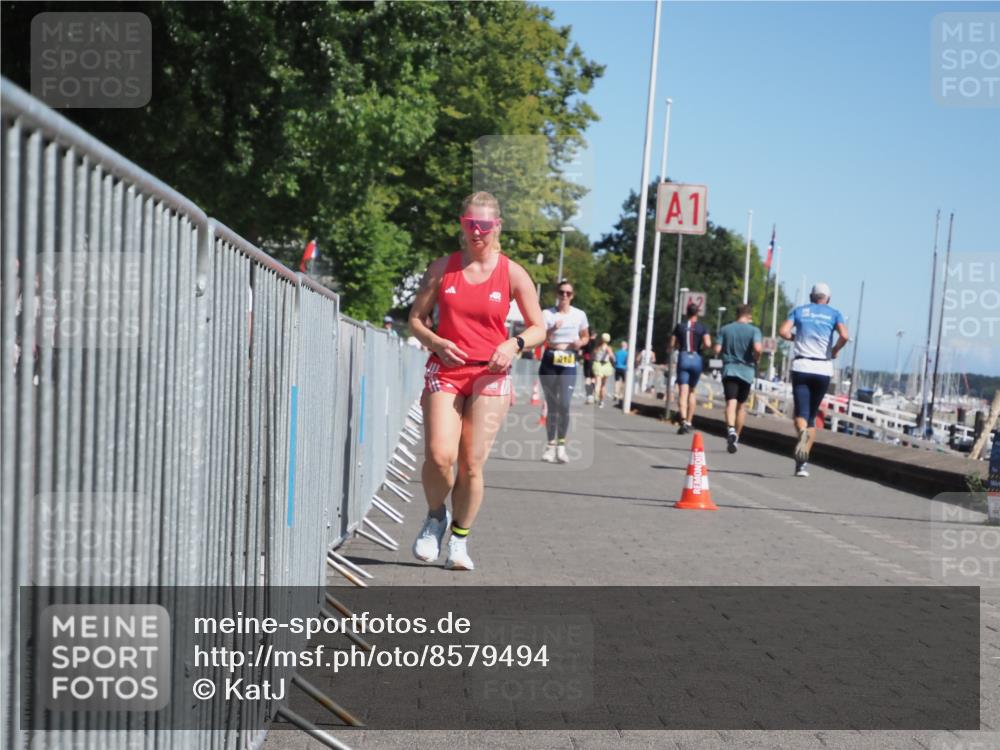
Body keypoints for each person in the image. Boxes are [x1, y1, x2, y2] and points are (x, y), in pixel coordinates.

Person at [407, 192, 545, 570]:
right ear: (462, 225)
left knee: (471, 463)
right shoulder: (443, 268)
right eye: (471, 225)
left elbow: (539, 328)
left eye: (485, 226)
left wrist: (513, 344)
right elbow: (416, 320)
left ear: (497, 226)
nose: (478, 232)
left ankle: (460, 540)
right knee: (439, 456)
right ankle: (435, 517)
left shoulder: (512, 273)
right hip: (447, 369)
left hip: (491, 373)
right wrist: (436, 341)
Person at [779, 282, 849, 477]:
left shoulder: (800, 311)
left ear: (811, 296)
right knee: (811, 417)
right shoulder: (834, 314)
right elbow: (845, 335)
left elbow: (783, 331)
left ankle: (802, 436)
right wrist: (834, 350)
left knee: (801, 415)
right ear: (828, 298)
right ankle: (801, 464)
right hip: (823, 368)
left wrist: (796, 338)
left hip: (802, 366)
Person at [539, 280, 590, 463]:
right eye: (562, 292)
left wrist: (580, 343)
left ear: (572, 296)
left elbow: (585, 336)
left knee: (564, 404)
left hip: (568, 359)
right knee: (552, 405)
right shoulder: (547, 314)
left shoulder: (579, 315)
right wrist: (552, 329)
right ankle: (550, 446)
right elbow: (539, 337)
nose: (565, 296)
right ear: (557, 294)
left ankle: (561, 445)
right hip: (550, 358)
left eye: (568, 293)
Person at [715, 304, 763, 453]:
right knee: (741, 406)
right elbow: (757, 348)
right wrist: (757, 358)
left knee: (731, 402)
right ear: (748, 315)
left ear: (737, 314)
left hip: (730, 369)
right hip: (747, 372)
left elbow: (716, 349)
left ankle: (730, 430)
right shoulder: (754, 330)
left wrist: (724, 351)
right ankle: (737, 437)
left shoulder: (725, 329)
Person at [669, 303, 711, 434]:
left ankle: (682, 421)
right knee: (692, 391)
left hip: (683, 357)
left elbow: (672, 344)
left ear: (686, 313)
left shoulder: (679, 326)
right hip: (697, 358)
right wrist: (700, 348)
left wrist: (677, 346)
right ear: (697, 313)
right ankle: (689, 421)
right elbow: (708, 344)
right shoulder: (702, 327)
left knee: (683, 391)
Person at [592, 333, 615, 408]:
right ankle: (601, 401)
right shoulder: (608, 348)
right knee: (603, 385)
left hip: (597, 364)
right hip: (606, 365)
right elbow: (612, 356)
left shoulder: (597, 347)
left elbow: (593, 356)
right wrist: (613, 360)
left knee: (597, 382)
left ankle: (596, 395)